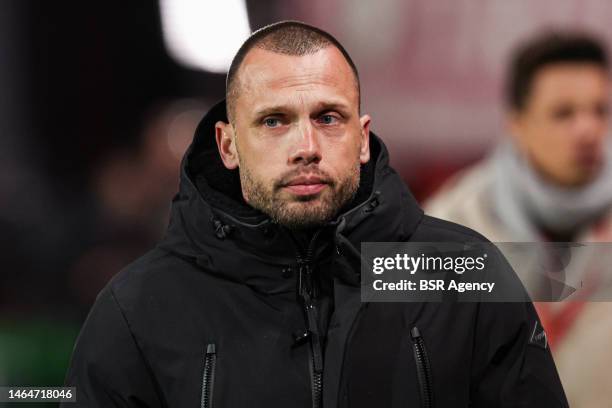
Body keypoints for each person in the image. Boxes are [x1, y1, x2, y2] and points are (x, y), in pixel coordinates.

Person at [63, 21, 568, 407]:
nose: (306, 146)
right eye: (274, 121)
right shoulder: (138, 311)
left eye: (328, 118)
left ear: (363, 138)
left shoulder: (462, 273)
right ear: (228, 144)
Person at [426, 31, 612, 407]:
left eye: (599, 110)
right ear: (517, 123)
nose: (588, 130)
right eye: (564, 113)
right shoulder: (449, 224)